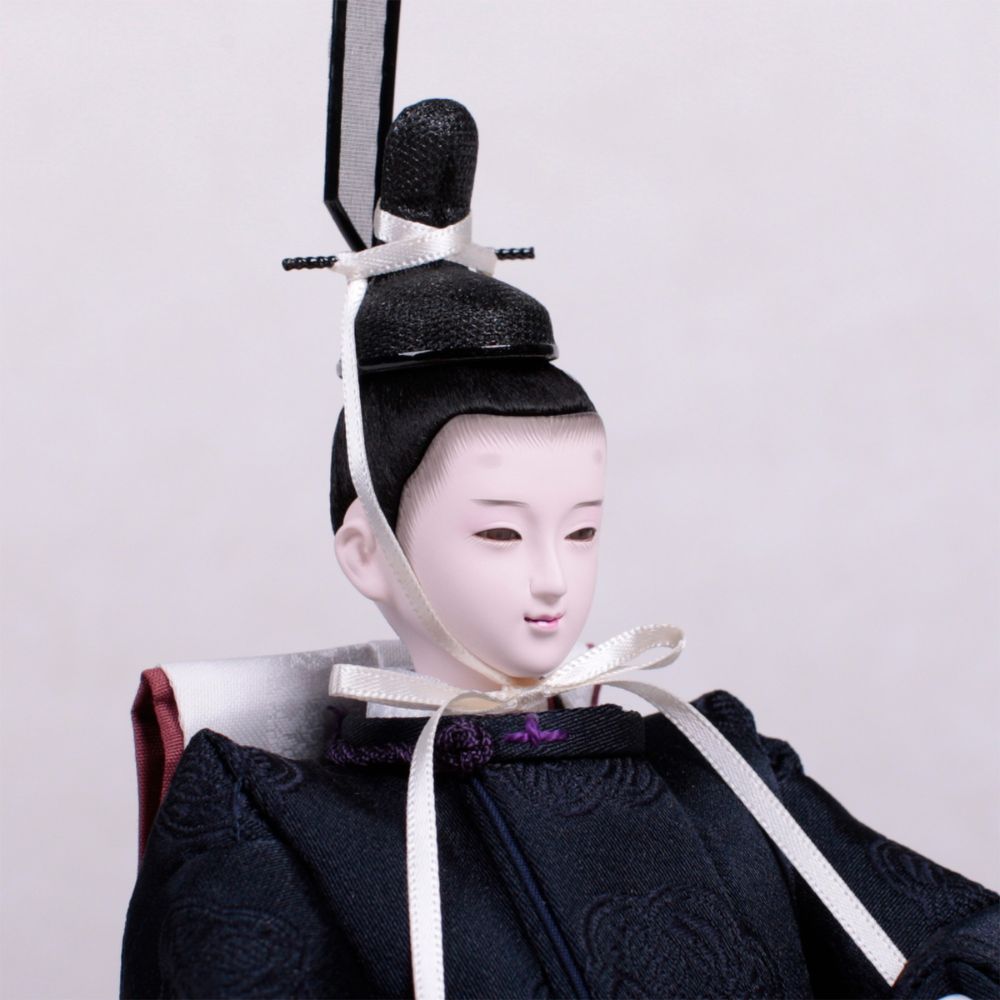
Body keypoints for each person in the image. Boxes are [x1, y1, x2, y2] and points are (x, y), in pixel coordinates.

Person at [121, 99, 998, 999]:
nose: (552, 578)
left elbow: (952, 935)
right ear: (366, 550)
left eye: (582, 531)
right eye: (499, 532)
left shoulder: (719, 769)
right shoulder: (277, 821)